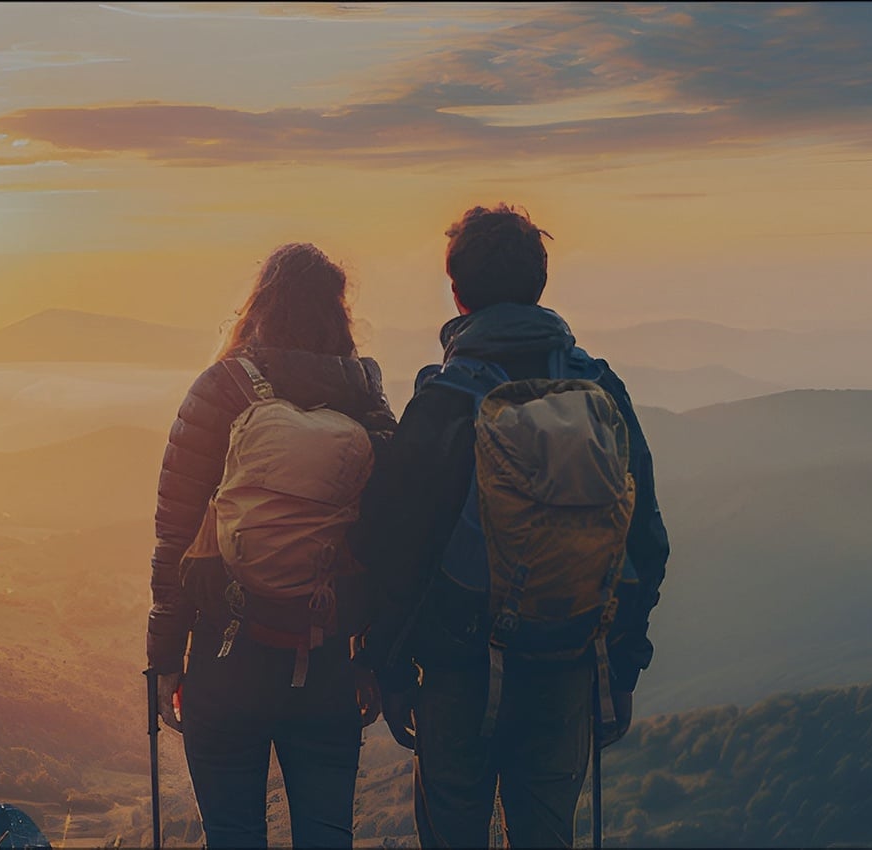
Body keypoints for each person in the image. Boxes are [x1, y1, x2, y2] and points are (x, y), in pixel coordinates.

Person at [352, 205, 671, 848]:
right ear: (540, 284)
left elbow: (387, 550)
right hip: (564, 670)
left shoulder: (443, 403)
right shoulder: (600, 390)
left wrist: (389, 672)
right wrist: (622, 669)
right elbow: (646, 543)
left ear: (456, 293)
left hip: (457, 677)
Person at [146, 242, 397, 849]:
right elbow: (390, 543)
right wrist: (371, 657)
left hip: (224, 656)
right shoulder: (366, 404)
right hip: (328, 660)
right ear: (339, 316)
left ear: (260, 308)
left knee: (233, 836)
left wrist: (165, 658)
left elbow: (177, 533)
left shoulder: (221, 389)